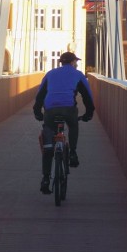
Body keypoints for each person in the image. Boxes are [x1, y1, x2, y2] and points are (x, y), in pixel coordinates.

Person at [33, 51, 95, 194]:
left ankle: (46, 178)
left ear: (61, 62)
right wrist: (89, 113)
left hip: (50, 110)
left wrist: (37, 112)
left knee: (48, 144)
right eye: (76, 62)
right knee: (73, 125)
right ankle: (72, 152)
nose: (77, 64)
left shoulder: (50, 74)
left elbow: (40, 94)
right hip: (68, 108)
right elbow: (87, 95)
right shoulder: (78, 74)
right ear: (73, 62)